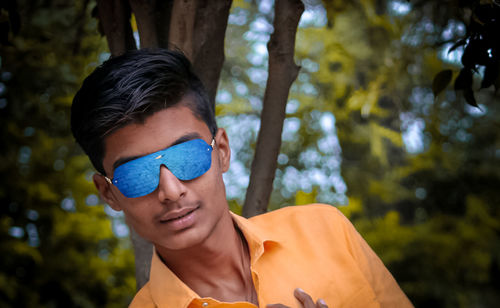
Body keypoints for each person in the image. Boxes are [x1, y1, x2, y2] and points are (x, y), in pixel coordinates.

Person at [71, 48, 413, 308]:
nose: (171, 191)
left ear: (221, 151)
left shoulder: (325, 230)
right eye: (138, 173)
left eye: (186, 157)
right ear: (108, 193)